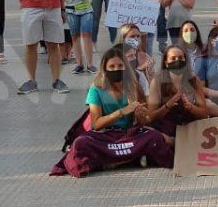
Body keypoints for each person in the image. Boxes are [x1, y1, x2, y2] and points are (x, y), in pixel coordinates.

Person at [56, 46, 174, 177]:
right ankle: (129, 159)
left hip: (128, 135)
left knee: (154, 137)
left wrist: (140, 115)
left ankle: (113, 161)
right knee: (81, 143)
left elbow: (143, 120)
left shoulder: (132, 85)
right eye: (112, 67)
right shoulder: (96, 89)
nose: (117, 69)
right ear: (105, 69)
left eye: (120, 65)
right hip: (105, 137)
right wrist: (121, 112)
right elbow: (96, 124)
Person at [148, 44, 215, 136]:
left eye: (181, 58)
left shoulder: (193, 80)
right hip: (165, 127)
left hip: (189, 124)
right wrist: (168, 105)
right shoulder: (157, 81)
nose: (177, 61)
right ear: (166, 63)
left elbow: (203, 113)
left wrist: (190, 107)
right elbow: (151, 116)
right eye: (173, 58)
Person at [61, 0, 97, 75]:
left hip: (87, 8)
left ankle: (90, 64)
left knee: (87, 34)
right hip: (71, 9)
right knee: (75, 36)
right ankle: (79, 64)